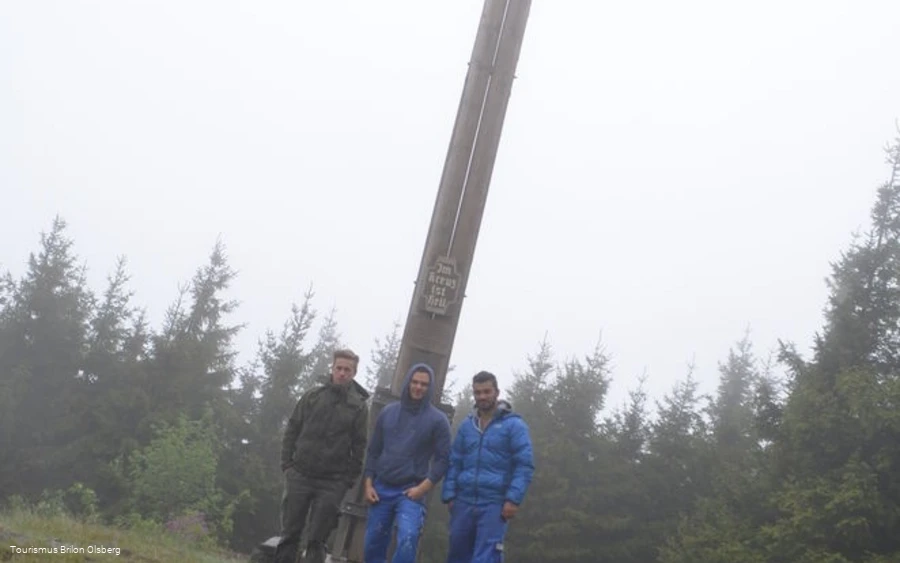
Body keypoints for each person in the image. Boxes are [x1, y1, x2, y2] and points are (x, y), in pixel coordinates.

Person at [274, 348, 370, 563]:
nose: (342, 373)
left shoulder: (359, 408)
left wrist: (347, 480)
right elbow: (293, 428)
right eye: (339, 368)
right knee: (290, 534)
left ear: (354, 373)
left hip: (332, 483)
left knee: (317, 540)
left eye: (347, 369)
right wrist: (287, 464)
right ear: (332, 369)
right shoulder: (312, 396)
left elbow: (359, 446)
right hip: (299, 474)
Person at [362, 363, 452, 563]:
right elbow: (373, 451)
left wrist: (423, 488)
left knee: (408, 538)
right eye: (415, 382)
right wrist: (368, 484)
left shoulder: (438, 420)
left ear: (430, 388)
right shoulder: (388, 412)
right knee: (372, 543)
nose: (418, 387)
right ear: (408, 382)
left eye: (424, 384)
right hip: (381, 489)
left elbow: (443, 460)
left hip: (411, 492)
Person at [442, 371, 535, 563]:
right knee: (456, 556)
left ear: (497, 392)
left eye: (487, 391)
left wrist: (513, 500)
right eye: (478, 392)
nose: (482, 396)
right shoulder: (467, 426)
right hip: (463, 502)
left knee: (486, 558)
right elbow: (455, 461)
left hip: (494, 503)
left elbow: (524, 465)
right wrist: (450, 495)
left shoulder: (514, 425)